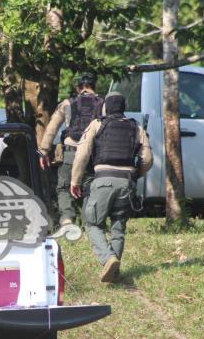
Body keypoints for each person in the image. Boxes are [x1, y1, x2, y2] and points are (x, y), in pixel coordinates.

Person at [70, 92, 153, 282]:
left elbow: (82, 154)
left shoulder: (97, 124)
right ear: (123, 107)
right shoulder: (136, 127)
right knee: (118, 227)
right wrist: (135, 175)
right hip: (127, 182)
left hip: (103, 180)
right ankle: (114, 272)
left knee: (92, 223)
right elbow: (147, 159)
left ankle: (108, 259)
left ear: (105, 107)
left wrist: (75, 181)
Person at [39, 73, 104, 226]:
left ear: (77, 88)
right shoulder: (104, 103)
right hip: (93, 154)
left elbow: (51, 129)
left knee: (64, 188)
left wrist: (43, 151)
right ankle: (91, 222)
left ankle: (67, 220)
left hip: (70, 152)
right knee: (91, 187)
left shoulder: (67, 103)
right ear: (95, 87)